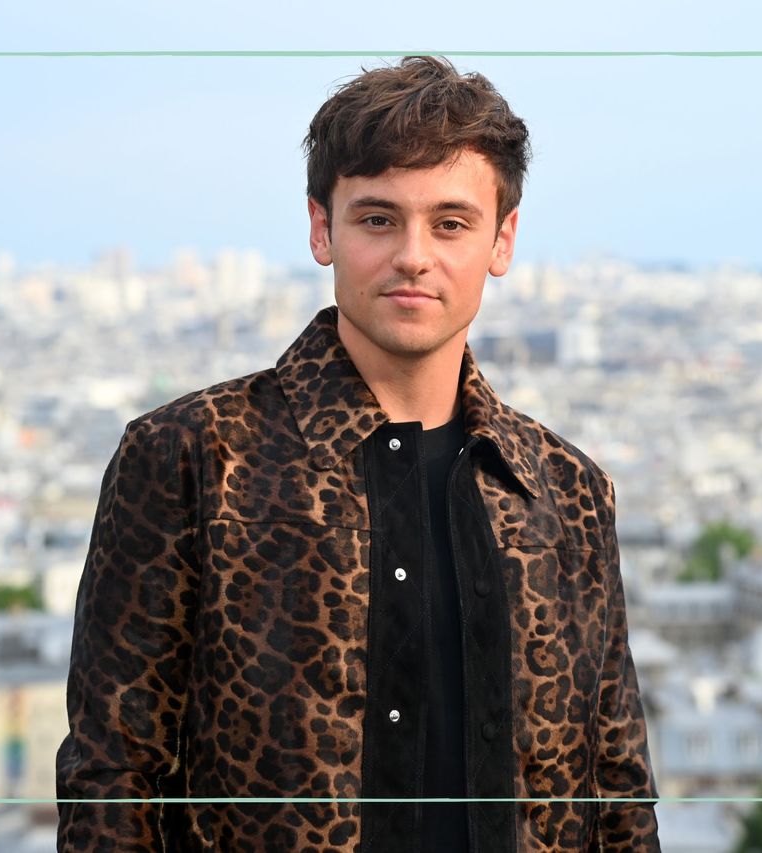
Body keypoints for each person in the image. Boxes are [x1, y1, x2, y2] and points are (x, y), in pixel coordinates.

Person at [56, 54, 660, 852]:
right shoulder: (192, 458)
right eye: (379, 218)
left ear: (502, 240)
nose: (414, 254)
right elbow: (113, 775)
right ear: (321, 229)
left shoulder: (565, 490)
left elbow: (615, 791)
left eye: (451, 222)